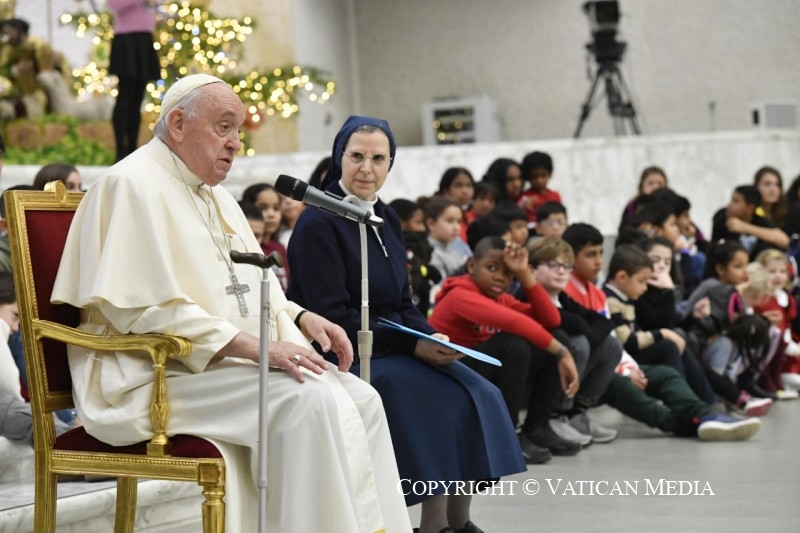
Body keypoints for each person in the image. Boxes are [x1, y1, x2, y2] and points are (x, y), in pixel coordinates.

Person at [51, 75, 411, 533]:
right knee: (309, 399)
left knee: (362, 397)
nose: (235, 143)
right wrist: (255, 348)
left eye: (238, 131)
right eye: (224, 127)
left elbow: (251, 283)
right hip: (148, 373)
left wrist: (299, 316)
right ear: (178, 123)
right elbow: (143, 310)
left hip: (217, 365)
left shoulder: (216, 194)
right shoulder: (130, 185)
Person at [288, 115, 526, 533]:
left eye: (379, 158)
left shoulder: (386, 217)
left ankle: (460, 521)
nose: (367, 168)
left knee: (478, 390)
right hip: (346, 349)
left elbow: (403, 301)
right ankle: (431, 526)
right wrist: (412, 345)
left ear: (390, 163)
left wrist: (429, 333)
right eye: (357, 156)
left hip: (396, 341)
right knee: (434, 401)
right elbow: (331, 315)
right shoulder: (317, 222)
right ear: (338, 157)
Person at [429, 236, 581, 462]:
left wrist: (524, 274)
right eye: (492, 268)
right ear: (472, 266)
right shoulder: (459, 295)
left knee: (556, 337)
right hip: (445, 375)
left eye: (508, 274)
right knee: (514, 344)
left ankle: (537, 426)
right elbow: (517, 323)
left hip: (475, 372)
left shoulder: (500, 298)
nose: (500, 277)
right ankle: (508, 434)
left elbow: (551, 320)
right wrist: (563, 353)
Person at [527, 238, 622, 444]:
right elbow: (571, 324)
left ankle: (576, 412)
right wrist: (584, 328)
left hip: (561, 373)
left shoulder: (562, 298)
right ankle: (555, 415)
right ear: (531, 269)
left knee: (611, 345)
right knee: (577, 343)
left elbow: (601, 321)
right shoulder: (528, 296)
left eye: (566, 266)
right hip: (532, 381)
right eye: (553, 265)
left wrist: (585, 328)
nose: (562, 271)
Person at [107, 0, 162, 161]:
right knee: (125, 97)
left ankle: (132, 149)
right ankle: (120, 151)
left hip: (144, 38)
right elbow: (113, 4)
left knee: (138, 98)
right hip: (127, 39)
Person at [711, 184, 789, 258]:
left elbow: (783, 240)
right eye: (731, 200)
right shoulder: (721, 216)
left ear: (750, 208)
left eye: (735, 201)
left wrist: (744, 227)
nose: (729, 205)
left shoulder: (758, 220)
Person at [517, 151, 561, 226]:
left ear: (550, 174)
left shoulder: (555, 196)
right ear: (528, 177)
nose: (539, 180)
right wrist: (522, 207)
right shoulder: (524, 197)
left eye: (543, 175)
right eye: (535, 177)